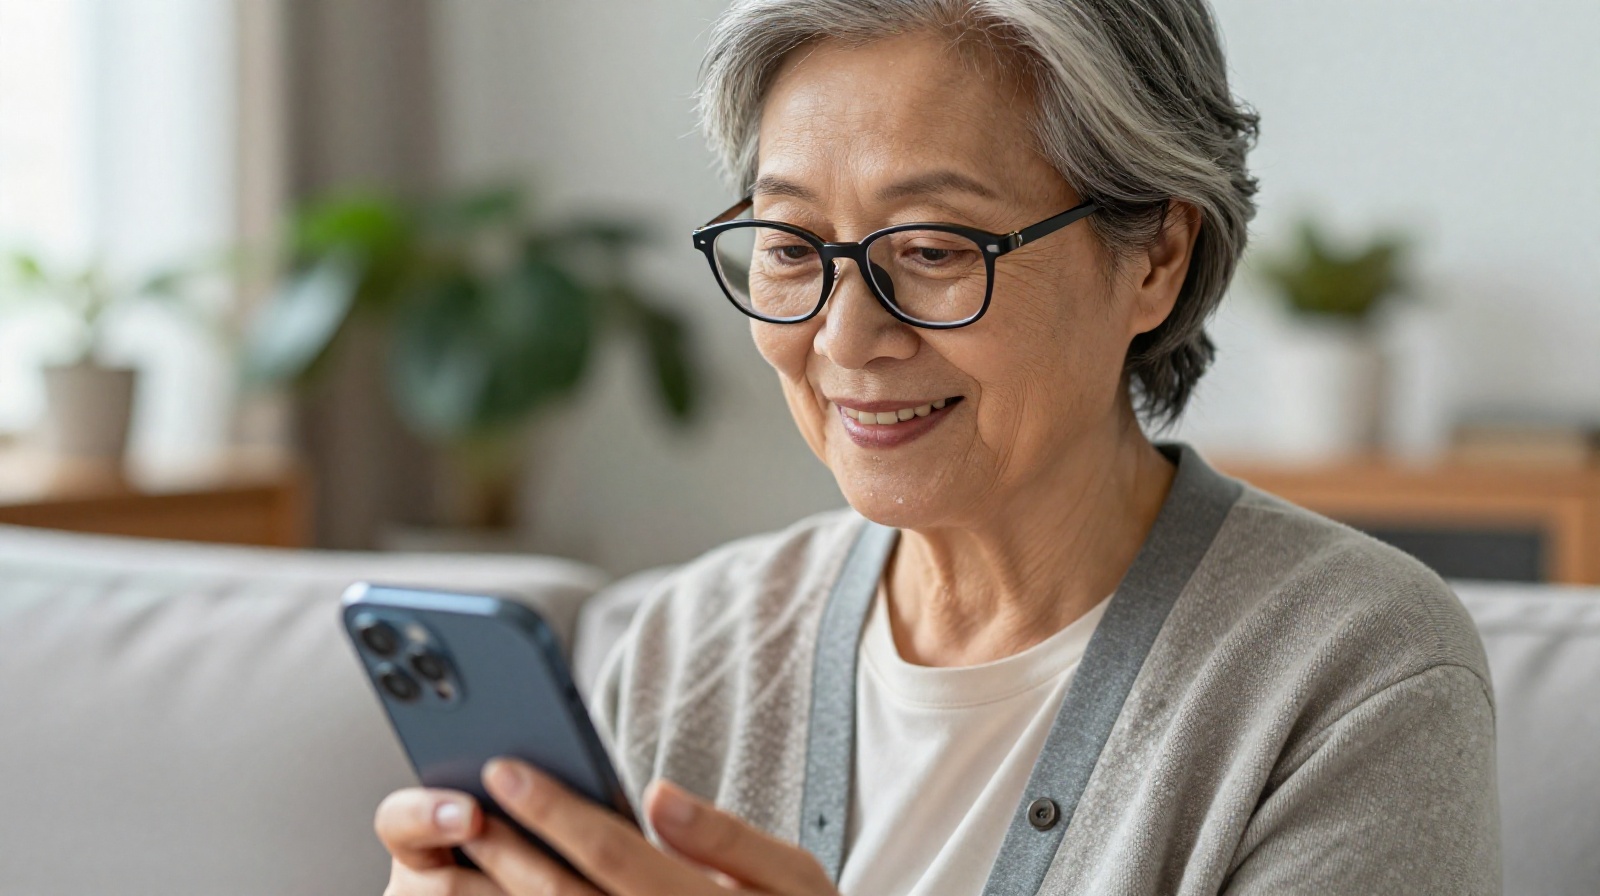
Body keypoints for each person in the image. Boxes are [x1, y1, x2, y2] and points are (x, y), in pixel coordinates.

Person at [374, 1, 1500, 893]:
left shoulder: (1352, 671)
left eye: (932, 248)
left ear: (1154, 258)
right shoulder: (688, 647)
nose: (843, 337)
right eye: (791, 245)